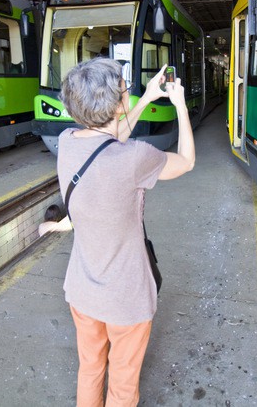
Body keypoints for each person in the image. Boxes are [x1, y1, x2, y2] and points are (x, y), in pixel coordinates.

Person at [57, 58, 195, 406]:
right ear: (119, 103)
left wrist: (147, 97)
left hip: (82, 289)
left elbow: (106, 139)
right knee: (122, 383)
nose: (128, 93)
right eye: (126, 89)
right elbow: (187, 161)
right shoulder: (135, 157)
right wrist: (179, 106)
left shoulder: (67, 141)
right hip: (126, 298)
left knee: (90, 369)